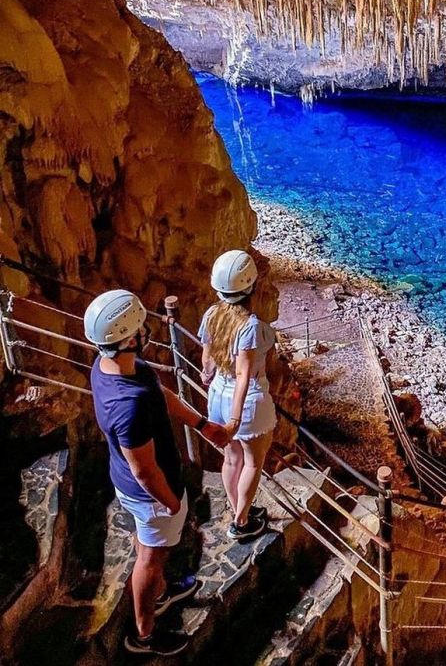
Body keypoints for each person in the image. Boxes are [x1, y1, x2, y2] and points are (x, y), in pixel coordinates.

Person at [85, 289, 230, 656]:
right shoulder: (128, 406)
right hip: (150, 494)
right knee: (151, 558)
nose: (146, 331)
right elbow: (144, 469)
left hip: (133, 487)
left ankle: (163, 593)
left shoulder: (109, 368)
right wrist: (171, 504)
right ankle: (144, 635)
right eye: (140, 328)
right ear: (129, 338)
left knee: (152, 547)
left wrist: (201, 424)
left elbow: (158, 390)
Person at [199, 250, 277, 541]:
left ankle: (237, 508)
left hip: (216, 394)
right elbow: (244, 374)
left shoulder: (211, 315)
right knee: (253, 462)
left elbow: (206, 360)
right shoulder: (250, 328)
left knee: (231, 460)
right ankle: (241, 522)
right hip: (246, 403)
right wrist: (234, 419)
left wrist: (207, 377)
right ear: (252, 287)